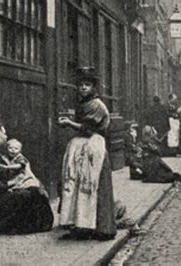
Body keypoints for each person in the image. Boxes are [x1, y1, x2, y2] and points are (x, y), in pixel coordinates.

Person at [57, 67, 116, 241]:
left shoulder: (96, 105)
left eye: (87, 85)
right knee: (75, 184)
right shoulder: (83, 103)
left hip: (94, 147)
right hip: (81, 146)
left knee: (91, 185)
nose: (83, 88)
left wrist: (69, 123)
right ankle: (80, 226)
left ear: (94, 87)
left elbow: (88, 128)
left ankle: (100, 228)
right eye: (81, 85)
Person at [0, 122, 53, 235]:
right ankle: (29, 226)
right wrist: (13, 183)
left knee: (35, 190)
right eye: (3, 134)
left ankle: (39, 225)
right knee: (27, 195)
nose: (6, 137)